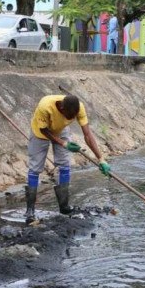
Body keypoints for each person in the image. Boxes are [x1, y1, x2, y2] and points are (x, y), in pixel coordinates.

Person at [25, 95, 110, 224]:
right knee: (35, 168)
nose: (71, 118)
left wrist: (101, 159)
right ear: (61, 107)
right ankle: (30, 210)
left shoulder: (79, 107)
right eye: (68, 115)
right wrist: (63, 144)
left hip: (61, 129)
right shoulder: (45, 106)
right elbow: (44, 130)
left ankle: (64, 207)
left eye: (73, 117)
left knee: (65, 165)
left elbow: (87, 135)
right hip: (40, 132)